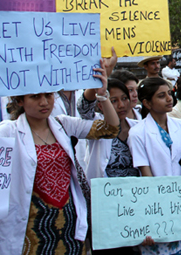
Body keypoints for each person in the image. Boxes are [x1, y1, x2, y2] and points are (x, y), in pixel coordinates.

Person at [0, 57, 120, 255]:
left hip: (69, 228)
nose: (44, 102)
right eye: (35, 97)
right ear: (20, 101)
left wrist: (102, 96)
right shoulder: (10, 130)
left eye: (48, 95)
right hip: (28, 228)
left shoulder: (63, 123)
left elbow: (110, 130)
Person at [129, 77, 181, 255]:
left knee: (179, 248)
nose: (169, 99)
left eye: (169, 93)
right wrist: (154, 216)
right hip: (154, 205)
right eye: (161, 96)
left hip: (180, 201)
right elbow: (146, 175)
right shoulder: (137, 133)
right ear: (147, 103)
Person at [77, 78, 140, 254]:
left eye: (124, 98)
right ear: (101, 104)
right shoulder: (96, 124)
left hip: (136, 203)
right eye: (113, 100)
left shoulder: (139, 126)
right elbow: (83, 106)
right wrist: (98, 84)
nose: (120, 105)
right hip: (106, 206)